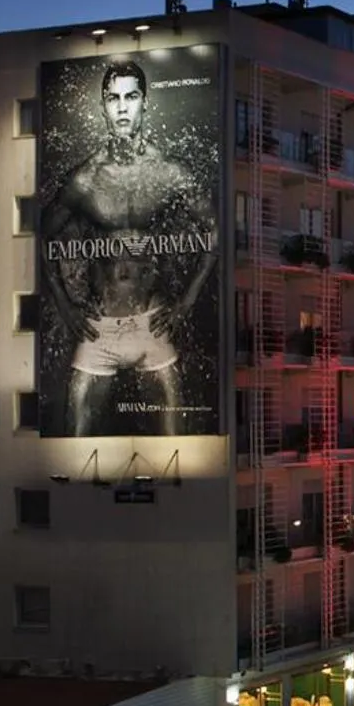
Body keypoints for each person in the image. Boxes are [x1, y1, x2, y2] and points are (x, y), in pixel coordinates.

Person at [40, 58, 217, 437]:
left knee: (178, 447)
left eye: (131, 97)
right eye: (113, 98)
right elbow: (43, 236)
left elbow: (214, 231)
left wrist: (186, 301)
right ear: (103, 106)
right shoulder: (86, 179)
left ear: (144, 103)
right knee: (72, 446)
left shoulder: (169, 172)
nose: (122, 106)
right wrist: (65, 305)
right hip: (99, 328)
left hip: (151, 323)